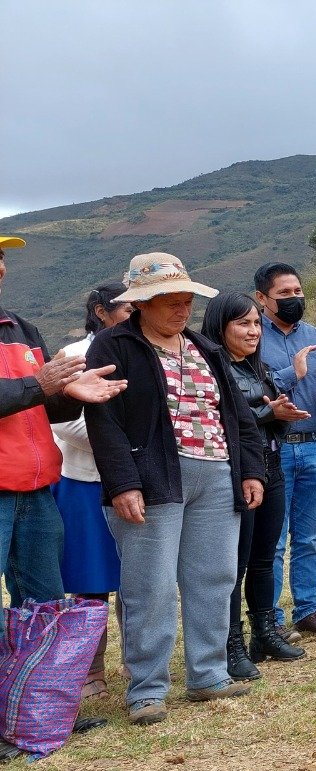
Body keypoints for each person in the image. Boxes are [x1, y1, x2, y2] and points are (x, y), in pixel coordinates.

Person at [86, 252, 265, 725]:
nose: (182, 310)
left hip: (216, 475)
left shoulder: (204, 347)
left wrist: (251, 470)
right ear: (143, 303)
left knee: (214, 576)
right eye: (171, 302)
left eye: (187, 301)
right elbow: (104, 422)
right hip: (153, 480)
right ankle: (147, 688)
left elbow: (238, 416)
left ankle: (208, 674)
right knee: (151, 585)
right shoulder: (113, 347)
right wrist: (123, 482)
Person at [2, 237, 126, 618]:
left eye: (1, 257)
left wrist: (73, 396)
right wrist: (39, 385)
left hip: (36, 489)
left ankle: (36, 679)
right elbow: (33, 389)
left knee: (47, 602)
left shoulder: (20, 328)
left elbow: (41, 407)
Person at [201, 292, 307, 677]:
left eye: (256, 323)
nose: (253, 331)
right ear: (220, 326)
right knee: (235, 564)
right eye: (243, 324)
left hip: (269, 466)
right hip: (233, 473)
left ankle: (265, 632)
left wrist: (282, 415)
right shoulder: (210, 368)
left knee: (264, 557)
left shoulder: (256, 367)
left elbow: (263, 417)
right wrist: (267, 412)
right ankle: (231, 644)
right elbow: (222, 419)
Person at [255, 262, 316, 639]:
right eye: (284, 294)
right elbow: (250, 389)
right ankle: (271, 617)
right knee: (274, 539)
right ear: (262, 299)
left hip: (314, 446)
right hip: (274, 447)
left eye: (298, 292)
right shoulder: (250, 335)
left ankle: (308, 610)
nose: (294, 299)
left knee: (310, 536)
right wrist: (292, 374)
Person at [50, 282, 132, 700]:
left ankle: (137, 662)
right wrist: (118, 441)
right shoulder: (71, 356)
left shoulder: (142, 351)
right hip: (85, 481)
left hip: (138, 480)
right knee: (91, 579)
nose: (132, 315)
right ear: (101, 311)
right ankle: (91, 669)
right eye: (124, 309)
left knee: (138, 575)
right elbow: (61, 421)